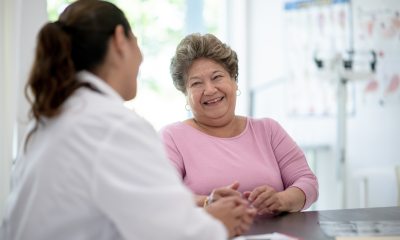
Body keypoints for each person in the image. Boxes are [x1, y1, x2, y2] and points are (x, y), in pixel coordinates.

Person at [0, 2, 256, 240]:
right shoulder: (112, 126)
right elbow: (175, 234)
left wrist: (204, 214)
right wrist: (218, 223)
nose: (142, 57)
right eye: (137, 41)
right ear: (120, 40)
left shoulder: (53, 118)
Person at [160, 33, 319, 215]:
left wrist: (281, 200)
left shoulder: (268, 130)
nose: (210, 90)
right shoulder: (172, 137)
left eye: (217, 77)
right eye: (196, 83)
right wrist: (207, 203)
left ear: (234, 81)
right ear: (185, 94)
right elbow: (162, 195)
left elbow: (307, 182)